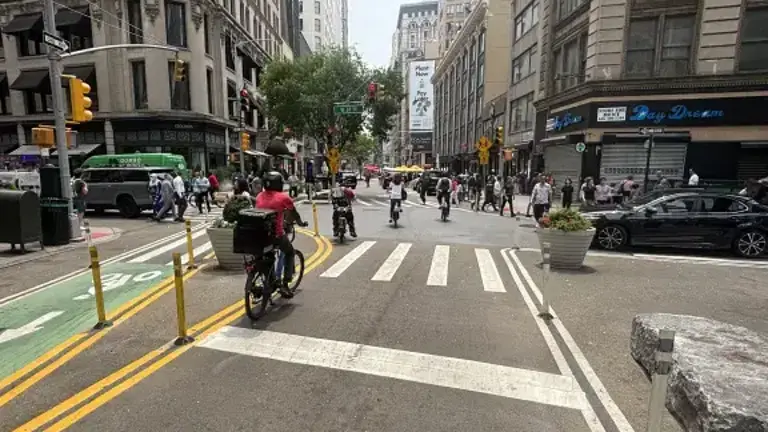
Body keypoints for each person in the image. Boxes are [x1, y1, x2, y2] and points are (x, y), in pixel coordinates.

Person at [255, 172, 308, 298]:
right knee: (289, 252)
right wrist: (300, 223)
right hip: (275, 235)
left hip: (258, 234)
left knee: (266, 258)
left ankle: (269, 281)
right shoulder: (283, 198)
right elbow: (293, 213)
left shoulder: (259, 196)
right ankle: (285, 284)